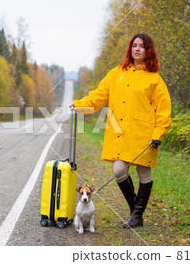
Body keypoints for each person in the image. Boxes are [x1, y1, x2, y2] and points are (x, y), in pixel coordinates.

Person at [70, 33, 171, 228]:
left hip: (144, 134)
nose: (137, 49)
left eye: (142, 46)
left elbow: (164, 111)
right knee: (119, 171)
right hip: (120, 134)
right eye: (134, 45)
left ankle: (136, 215)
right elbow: (98, 96)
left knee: (144, 176)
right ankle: (136, 212)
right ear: (130, 49)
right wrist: (79, 105)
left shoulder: (154, 79)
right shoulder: (116, 73)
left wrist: (158, 135)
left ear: (148, 50)